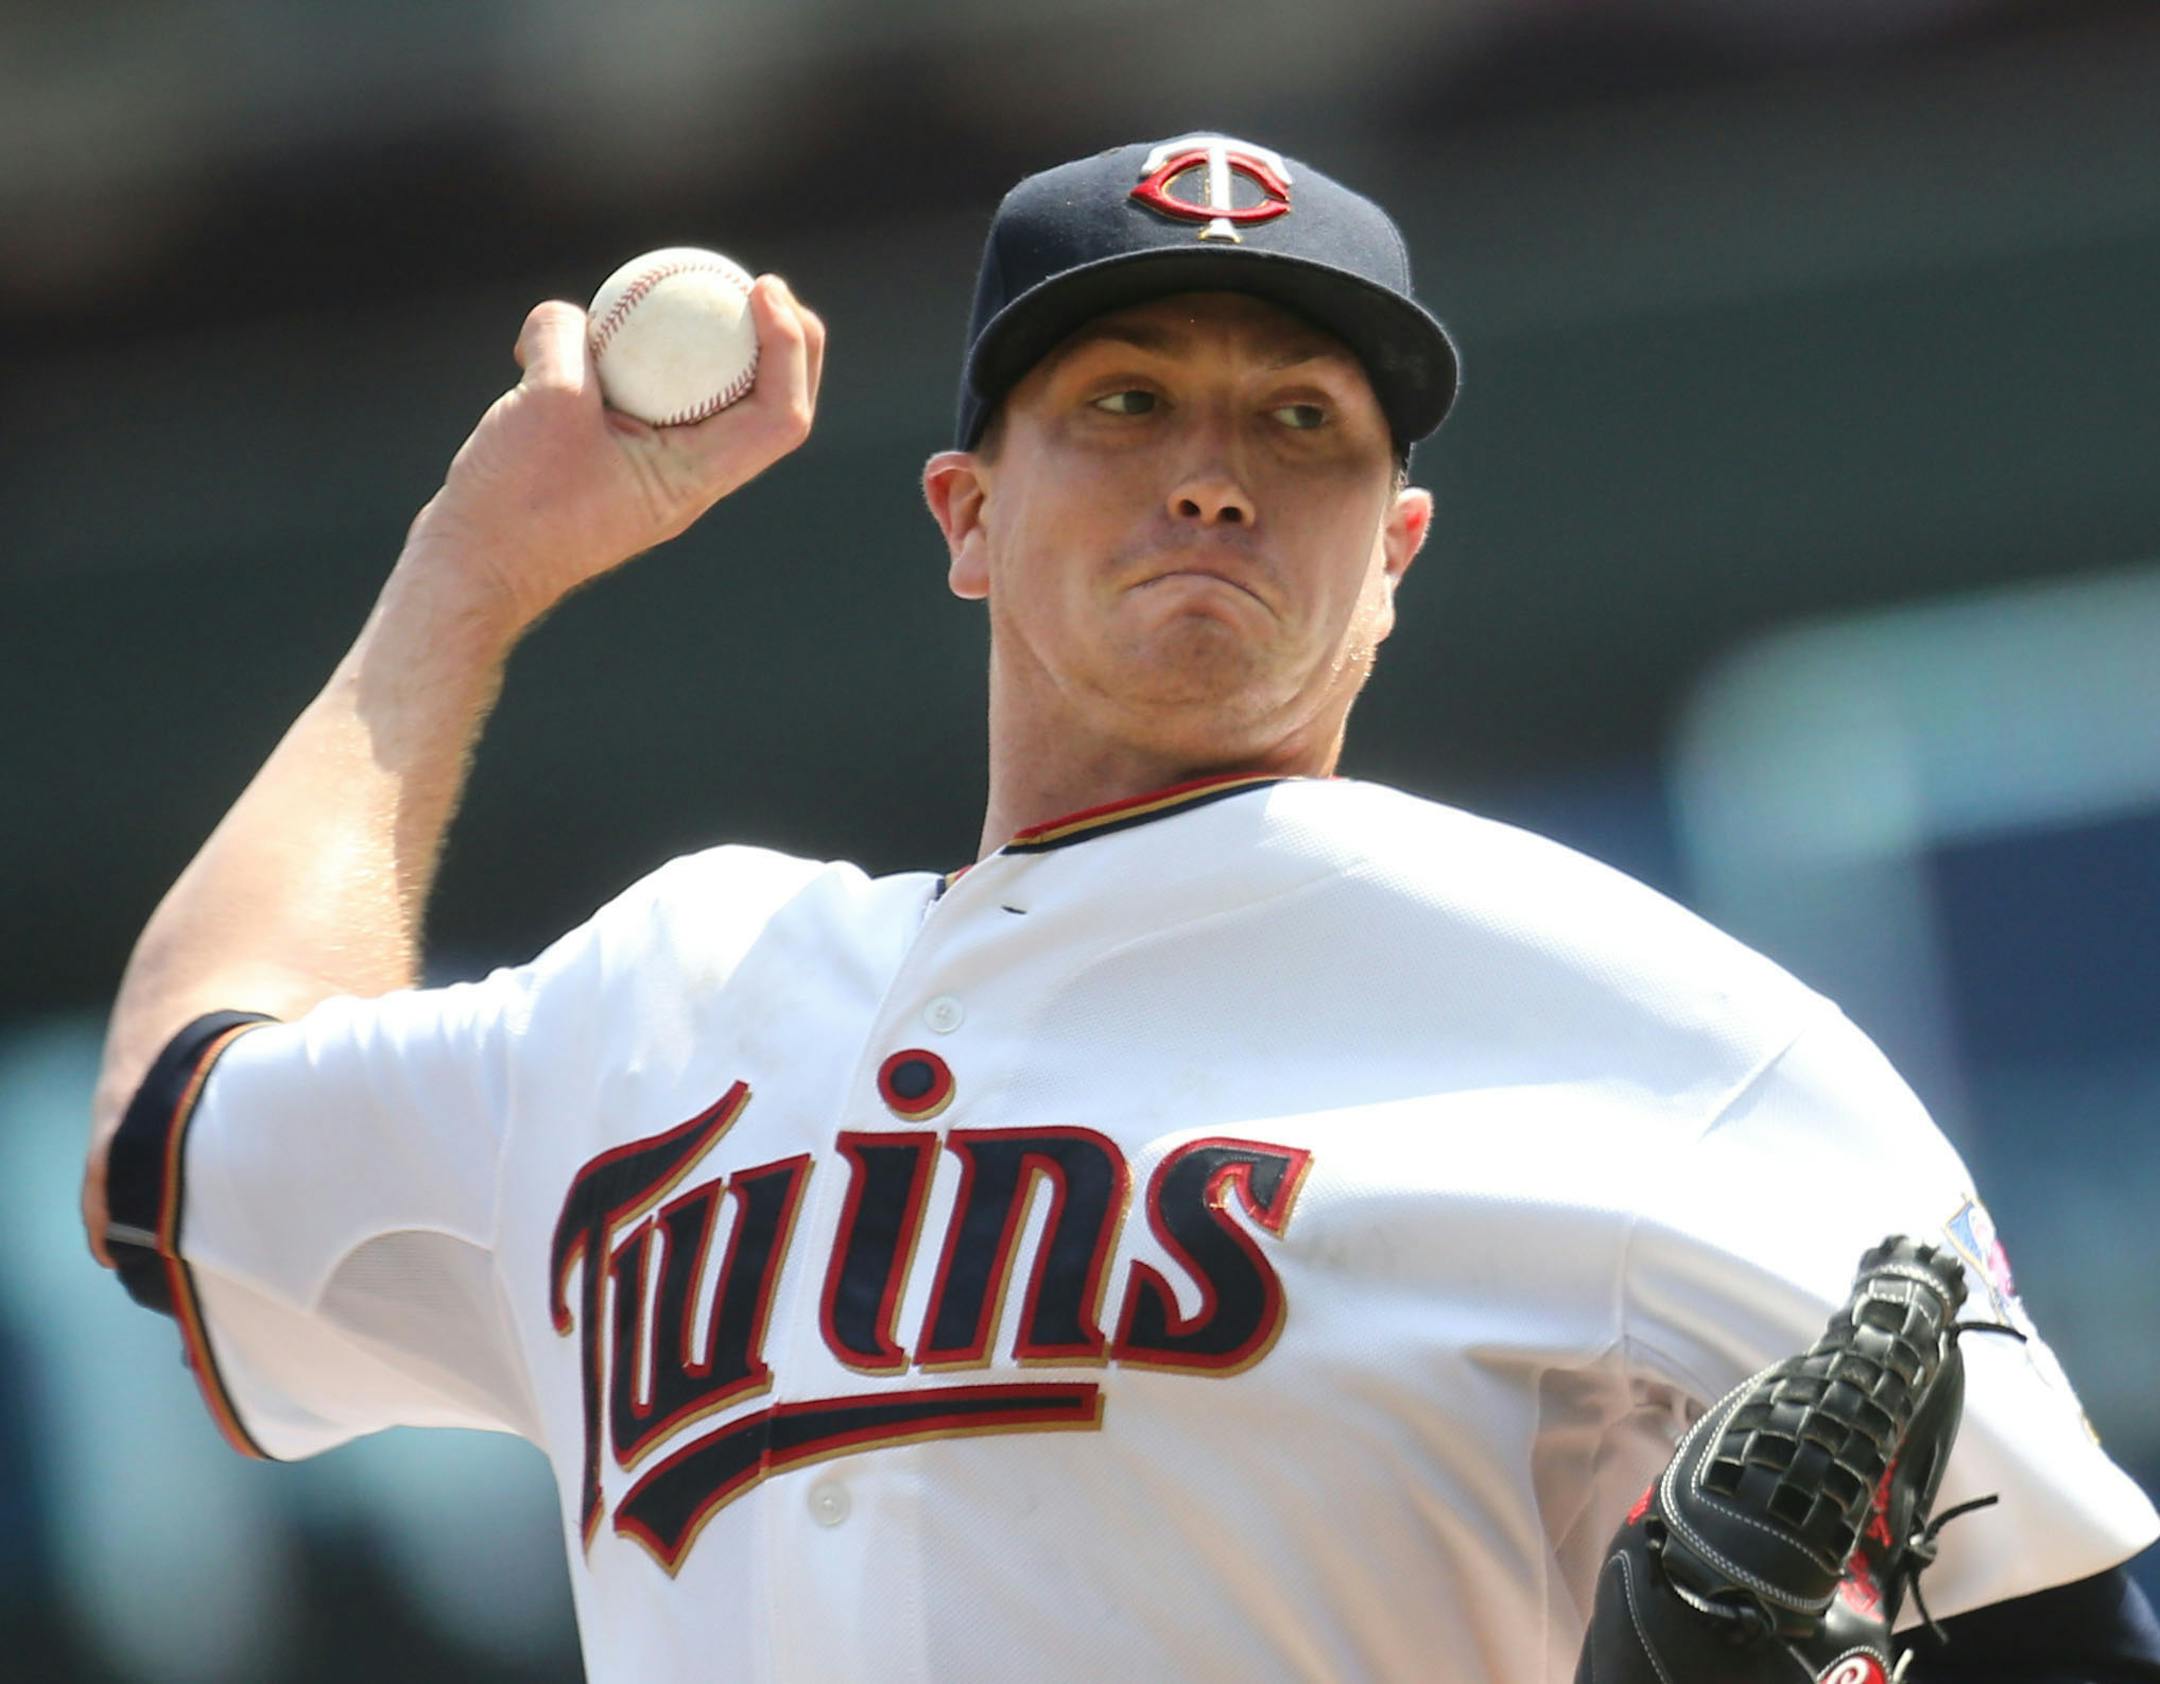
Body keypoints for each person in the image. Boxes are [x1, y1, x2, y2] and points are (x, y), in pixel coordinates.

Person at [84, 133, 2158, 1684]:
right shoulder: (665, 989)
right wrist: (472, 570)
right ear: (967, 514)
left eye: (1303, 420)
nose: (1216, 472)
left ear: (1399, 543)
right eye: (1126, 399)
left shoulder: (1660, 1025)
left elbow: (2071, 1633)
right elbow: (174, 1160)